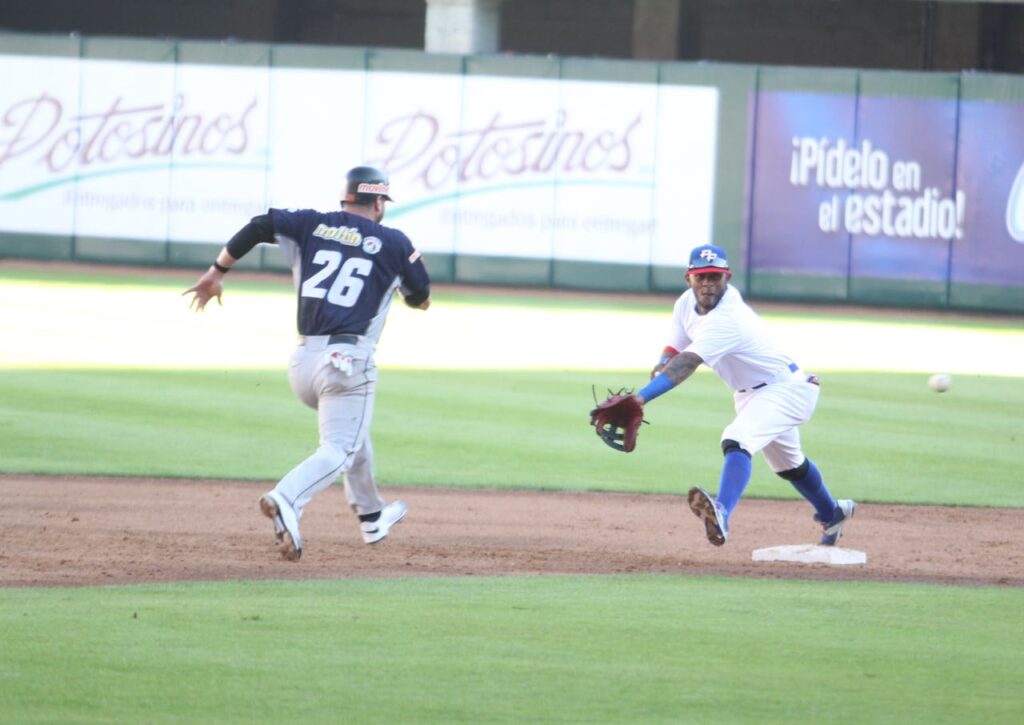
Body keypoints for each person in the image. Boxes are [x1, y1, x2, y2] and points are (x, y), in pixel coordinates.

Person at [183, 166, 431, 561]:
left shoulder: (310, 225)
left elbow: (259, 224)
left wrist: (218, 271)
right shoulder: (394, 242)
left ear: (346, 198)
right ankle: (287, 498)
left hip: (302, 363)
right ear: (379, 202)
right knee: (339, 448)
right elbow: (420, 297)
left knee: (352, 432)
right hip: (347, 361)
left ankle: (371, 516)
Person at [629, 244, 854, 547]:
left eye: (715, 277)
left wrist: (640, 398)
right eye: (701, 277)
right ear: (689, 279)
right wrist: (660, 366)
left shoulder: (728, 317)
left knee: (736, 439)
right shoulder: (685, 304)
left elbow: (688, 361)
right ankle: (833, 512)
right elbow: (675, 346)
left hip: (786, 389)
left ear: (728, 277)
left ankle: (721, 512)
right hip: (753, 394)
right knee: (790, 466)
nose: (708, 283)